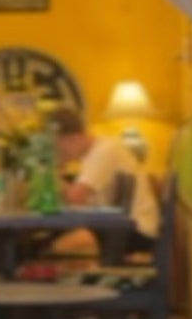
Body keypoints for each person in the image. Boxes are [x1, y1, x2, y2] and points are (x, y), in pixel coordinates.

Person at [51, 104, 160, 250]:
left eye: (58, 147)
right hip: (121, 226)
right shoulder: (95, 153)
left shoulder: (103, 152)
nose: (58, 153)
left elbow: (75, 198)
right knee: (55, 239)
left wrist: (50, 173)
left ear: (74, 139)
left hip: (136, 230)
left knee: (56, 245)